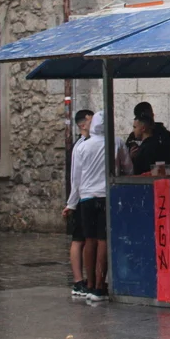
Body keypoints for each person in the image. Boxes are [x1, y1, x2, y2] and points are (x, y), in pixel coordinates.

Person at [62, 111, 121, 303]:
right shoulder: (116, 142)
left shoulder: (82, 146)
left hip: (86, 197)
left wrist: (71, 203)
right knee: (103, 240)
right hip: (105, 195)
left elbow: (76, 178)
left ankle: (89, 284)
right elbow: (126, 167)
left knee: (89, 240)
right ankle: (99, 285)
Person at [68, 109, 94, 299]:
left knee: (88, 239)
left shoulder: (92, 143)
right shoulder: (80, 146)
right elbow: (75, 177)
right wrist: (72, 203)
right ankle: (78, 281)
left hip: (87, 196)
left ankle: (89, 279)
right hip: (81, 197)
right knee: (79, 239)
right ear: (83, 124)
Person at [128, 102, 170, 168]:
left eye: (145, 116)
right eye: (140, 116)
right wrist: (130, 158)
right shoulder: (133, 136)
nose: (144, 118)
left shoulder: (166, 135)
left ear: (152, 115)